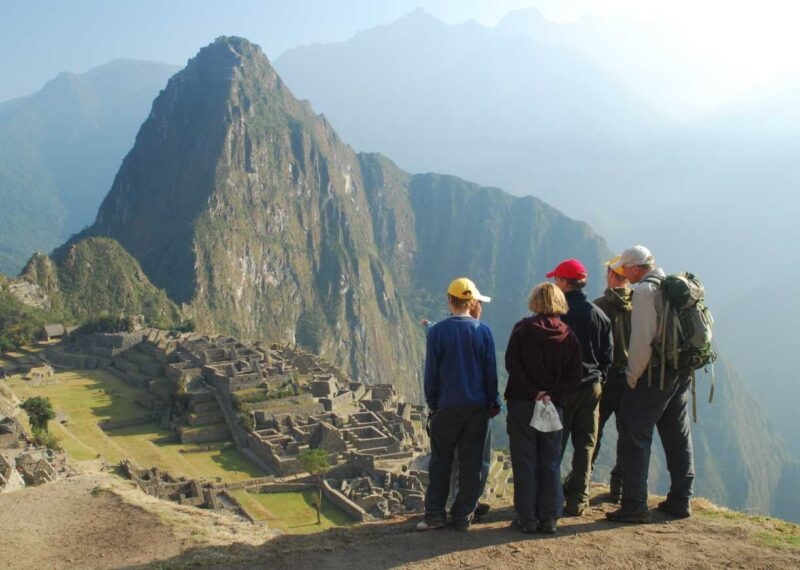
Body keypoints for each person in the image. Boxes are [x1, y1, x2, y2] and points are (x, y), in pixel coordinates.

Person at [606, 245, 695, 524]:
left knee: (634, 432)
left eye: (625, 269)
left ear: (635, 268)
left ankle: (634, 504)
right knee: (676, 434)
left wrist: (633, 377)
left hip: (654, 374)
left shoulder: (644, 292)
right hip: (680, 371)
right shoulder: (671, 285)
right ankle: (681, 500)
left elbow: (642, 340)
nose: (623, 274)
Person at [418, 277, 499, 531]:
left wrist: (433, 403)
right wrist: (493, 401)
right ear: (472, 302)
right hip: (477, 409)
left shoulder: (437, 332)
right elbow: (490, 372)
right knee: (472, 462)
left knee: (441, 462)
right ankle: (463, 515)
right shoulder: (483, 331)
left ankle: (435, 515)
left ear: (450, 300)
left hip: (446, 407)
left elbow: (431, 373)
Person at [505, 282, 583, 534]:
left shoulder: (522, 330)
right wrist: (552, 395)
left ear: (536, 301)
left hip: (522, 404)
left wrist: (533, 392)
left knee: (524, 460)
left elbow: (512, 366)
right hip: (552, 406)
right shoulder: (568, 336)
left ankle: (527, 518)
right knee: (550, 460)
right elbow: (574, 375)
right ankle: (549, 517)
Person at [547, 258, 613, 516]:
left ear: (565, 283)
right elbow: (608, 356)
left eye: (556, 280)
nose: (554, 283)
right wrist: (597, 378)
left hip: (564, 389)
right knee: (586, 445)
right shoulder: (600, 315)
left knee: (555, 444)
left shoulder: (557, 315)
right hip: (592, 387)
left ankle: (550, 500)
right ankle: (578, 500)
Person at [591, 255, 633, 502]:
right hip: (632, 379)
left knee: (594, 431)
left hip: (605, 379)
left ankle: (583, 480)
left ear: (611, 276)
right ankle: (619, 486)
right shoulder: (642, 305)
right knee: (627, 433)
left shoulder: (598, 307)